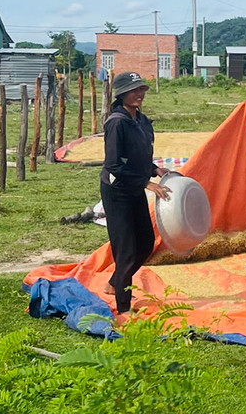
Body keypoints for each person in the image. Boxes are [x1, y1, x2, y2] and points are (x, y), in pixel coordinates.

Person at [101, 71, 171, 313]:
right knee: (127, 249)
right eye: (134, 90)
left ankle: (114, 283)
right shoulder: (117, 123)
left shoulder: (141, 120)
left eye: (142, 89)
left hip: (134, 187)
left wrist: (154, 170)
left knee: (146, 243)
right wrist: (146, 183)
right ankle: (123, 308)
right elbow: (114, 166)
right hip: (118, 191)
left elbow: (138, 157)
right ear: (121, 95)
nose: (140, 94)